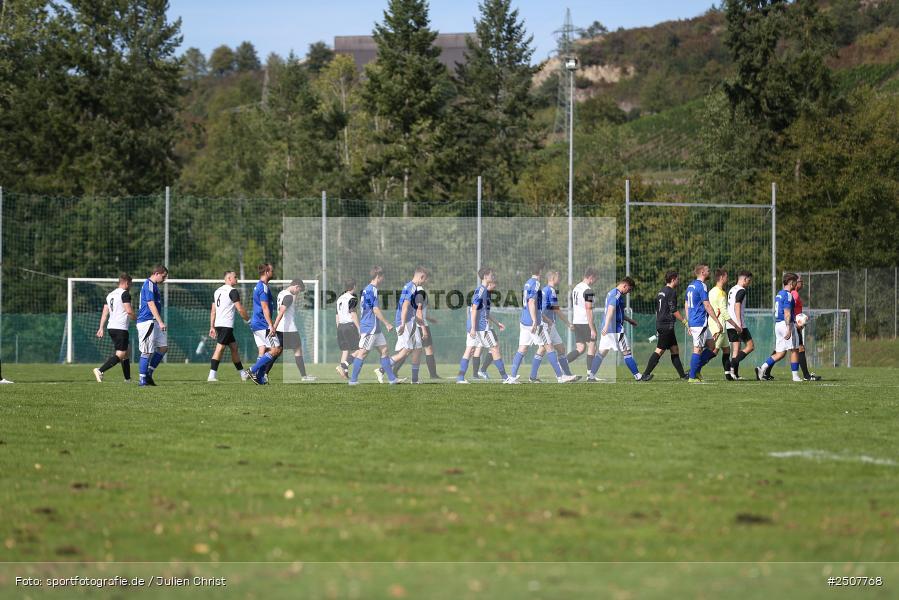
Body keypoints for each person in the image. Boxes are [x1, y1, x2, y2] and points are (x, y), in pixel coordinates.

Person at [509, 260, 576, 384]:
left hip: (524, 321)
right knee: (549, 347)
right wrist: (535, 321)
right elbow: (531, 302)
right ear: (540, 271)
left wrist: (545, 319)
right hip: (534, 323)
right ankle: (561, 377)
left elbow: (536, 306)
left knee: (523, 349)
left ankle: (512, 377)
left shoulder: (527, 283)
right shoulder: (536, 284)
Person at [456, 268, 514, 384]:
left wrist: (497, 323)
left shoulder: (485, 292)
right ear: (486, 276)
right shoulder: (481, 291)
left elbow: (485, 312)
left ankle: (460, 378)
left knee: (470, 350)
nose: (493, 276)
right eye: (491, 275)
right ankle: (505, 378)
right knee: (494, 348)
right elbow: (474, 310)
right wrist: (473, 327)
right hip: (481, 328)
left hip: (476, 327)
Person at [348, 266, 404, 385]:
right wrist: (387, 323)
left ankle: (392, 379)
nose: (383, 280)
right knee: (363, 353)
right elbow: (375, 309)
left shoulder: (366, 289)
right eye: (382, 277)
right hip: (370, 328)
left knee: (384, 350)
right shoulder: (371, 290)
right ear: (378, 277)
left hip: (375, 328)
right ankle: (353, 380)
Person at [587, 277, 646, 381]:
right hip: (616, 330)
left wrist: (629, 320)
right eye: (629, 289)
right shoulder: (617, 294)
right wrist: (606, 325)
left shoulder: (611, 293)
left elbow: (617, 313)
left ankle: (590, 376)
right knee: (626, 352)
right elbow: (611, 310)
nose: (629, 292)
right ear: (625, 285)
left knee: (601, 353)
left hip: (608, 330)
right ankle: (638, 376)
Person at [376, 267, 428, 384]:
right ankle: (382, 369)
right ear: (421, 277)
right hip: (406, 322)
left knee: (415, 349)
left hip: (408, 321)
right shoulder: (411, 287)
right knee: (407, 351)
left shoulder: (410, 286)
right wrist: (403, 323)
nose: (424, 282)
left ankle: (414, 379)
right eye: (424, 279)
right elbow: (405, 306)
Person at [640, 270, 688, 381]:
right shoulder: (671, 292)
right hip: (667, 325)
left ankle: (683, 375)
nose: (678, 280)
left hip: (662, 324)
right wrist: (685, 321)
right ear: (673, 279)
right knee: (659, 350)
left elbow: (657, 311)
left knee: (675, 350)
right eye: (677, 279)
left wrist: (658, 325)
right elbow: (673, 310)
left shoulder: (661, 292)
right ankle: (645, 374)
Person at [757, 273, 802, 382]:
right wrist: (789, 328)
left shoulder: (779, 294)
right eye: (795, 281)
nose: (796, 284)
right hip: (785, 324)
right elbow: (787, 312)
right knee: (795, 350)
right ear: (791, 283)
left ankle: (762, 368)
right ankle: (795, 376)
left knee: (780, 353)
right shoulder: (788, 295)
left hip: (778, 324)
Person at [207, 271, 250, 382]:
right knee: (220, 348)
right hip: (226, 325)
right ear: (229, 279)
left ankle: (242, 374)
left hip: (219, 324)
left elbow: (213, 311)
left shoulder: (217, 291)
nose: (237, 279)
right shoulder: (233, 291)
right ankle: (211, 376)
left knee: (234, 348)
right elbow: (239, 308)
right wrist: (248, 319)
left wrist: (212, 326)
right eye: (235, 277)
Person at [684, 264, 725, 383]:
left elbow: (686, 304)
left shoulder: (690, 285)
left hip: (696, 322)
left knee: (712, 346)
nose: (709, 272)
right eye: (708, 270)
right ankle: (691, 377)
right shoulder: (702, 286)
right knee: (697, 349)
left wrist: (689, 322)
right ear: (702, 272)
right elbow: (707, 305)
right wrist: (717, 322)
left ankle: (695, 370)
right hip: (699, 322)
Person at [537, 270, 578, 383]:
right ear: (552, 278)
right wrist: (568, 323)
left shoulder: (544, 290)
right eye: (558, 276)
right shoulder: (551, 290)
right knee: (542, 350)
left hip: (548, 323)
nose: (559, 279)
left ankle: (568, 374)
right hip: (547, 324)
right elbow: (557, 310)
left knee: (561, 349)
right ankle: (535, 376)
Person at [93, 273, 135, 383]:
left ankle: (127, 379)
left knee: (126, 352)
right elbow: (129, 311)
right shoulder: (125, 294)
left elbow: (105, 312)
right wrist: (137, 320)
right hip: (120, 328)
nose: (131, 286)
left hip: (111, 327)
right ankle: (100, 370)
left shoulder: (110, 295)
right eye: (130, 284)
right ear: (126, 283)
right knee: (120, 354)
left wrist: (101, 327)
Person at [273, 279, 315, 382]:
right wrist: (273, 327)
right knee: (297, 350)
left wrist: (275, 328)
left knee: (276, 352)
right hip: (289, 329)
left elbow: (290, 303)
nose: (299, 292)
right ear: (296, 286)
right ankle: (304, 376)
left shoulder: (282, 293)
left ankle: (263, 373)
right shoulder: (288, 296)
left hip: (281, 329)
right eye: (299, 290)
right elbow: (281, 312)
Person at [247, 263, 282, 385]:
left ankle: (259, 378)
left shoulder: (258, 286)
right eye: (271, 270)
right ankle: (252, 370)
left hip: (257, 324)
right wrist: (271, 325)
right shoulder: (263, 287)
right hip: (263, 325)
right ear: (267, 272)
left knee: (264, 349)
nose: (273, 272)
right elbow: (265, 307)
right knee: (276, 349)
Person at [136, 265, 169, 386]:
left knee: (163, 347)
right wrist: (160, 321)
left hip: (154, 321)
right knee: (146, 351)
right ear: (156, 273)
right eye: (163, 276)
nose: (164, 279)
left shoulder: (154, 286)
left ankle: (149, 373)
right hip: (147, 321)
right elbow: (151, 304)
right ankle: (142, 379)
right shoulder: (148, 284)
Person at [709, 269, 742, 381]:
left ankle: (728, 375)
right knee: (714, 351)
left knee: (726, 350)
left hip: (715, 325)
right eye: (726, 276)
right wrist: (736, 326)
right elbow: (724, 313)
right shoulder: (721, 293)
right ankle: (695, 369)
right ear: (722, 277)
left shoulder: (712, 291)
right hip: (720, 326)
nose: (728, 279)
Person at [566, 267, 600, 376]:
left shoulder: (576, 288)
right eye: (595, 279)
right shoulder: (588, 290)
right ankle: (591, 375)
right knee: (592, 346)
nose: (595, 281)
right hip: (586, 322)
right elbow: (588, 309)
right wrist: (592, 328)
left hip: (577, 321)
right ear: (591, 277)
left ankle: (562, 363)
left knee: (580, 348)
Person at [792, 275, 822, 381]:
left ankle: (764, 370)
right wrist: (797, 321)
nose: (802, 284)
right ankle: (806, 376)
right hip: (794, 325)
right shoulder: (794, 294)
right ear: (795, 282)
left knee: (780, 351)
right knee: (799, 348)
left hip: (793, 324)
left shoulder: (793, 293)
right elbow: (790, 307)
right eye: (801, 281)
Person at [727, 271, 754, 380]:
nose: (749, 283)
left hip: (730, 323)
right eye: (749, 280)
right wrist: (739, 323)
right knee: (750, 346)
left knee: (736, 350)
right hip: (738, 323)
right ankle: (732, 365)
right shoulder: (741, 290)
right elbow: (737, 305)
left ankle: (734, 374)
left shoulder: (732, 289)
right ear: (745, 279)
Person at [335, 280, 360, 379]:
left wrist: (338, 328)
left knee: (345, 350)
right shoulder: (352, 298)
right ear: (354, 286)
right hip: (349, 326)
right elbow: (353, 314)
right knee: (360, 349)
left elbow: (337, 315)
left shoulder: (339, 298)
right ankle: (342, 366)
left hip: (340, 326)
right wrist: (359, 328)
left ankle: (344, 374)